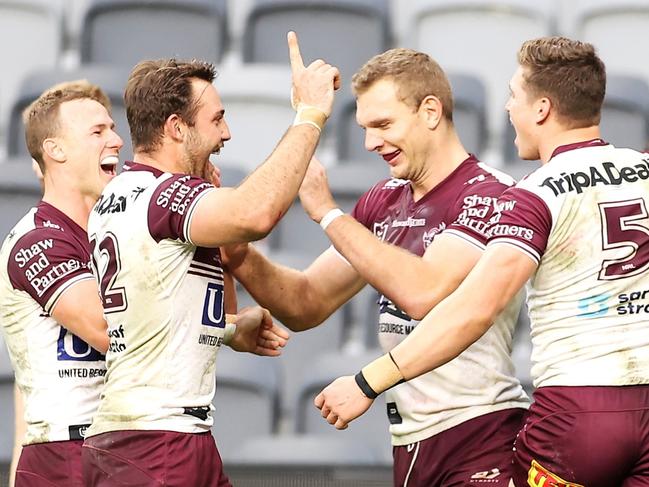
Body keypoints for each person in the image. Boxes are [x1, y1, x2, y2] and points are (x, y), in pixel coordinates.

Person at [316, 36, 649, 486]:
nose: (509, 108)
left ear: (542, 110)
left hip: (576, 414)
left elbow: (473, 309)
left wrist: (366, 382)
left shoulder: (537, 193)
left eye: (514, 96)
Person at [223, 47, 529, 486]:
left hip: (481, 436)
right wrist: (240, 255)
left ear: (430, 111)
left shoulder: (492, 193)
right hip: (411, 445)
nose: (370, 143)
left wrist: (328, 214)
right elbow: (307, 302)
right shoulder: (383, 199)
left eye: (383, 125)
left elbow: (424, 292)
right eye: (365, 128)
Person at [81, 32, 338, 486]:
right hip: (157, 442)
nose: (226, 132)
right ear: (177, 128)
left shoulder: (125, 195)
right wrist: (310, 113)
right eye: (217, 119)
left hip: (162, 434)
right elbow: (257, 213)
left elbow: (173, 299)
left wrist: (230, 329)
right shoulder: (163, 195)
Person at [0, 80, 120, 487]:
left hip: (119, 446)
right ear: (54, 151)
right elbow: (109, 330)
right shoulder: (35, 241)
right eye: (98, 132)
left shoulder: (114, 232)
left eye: (112, 128)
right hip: (67, 454)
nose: (117, 141)